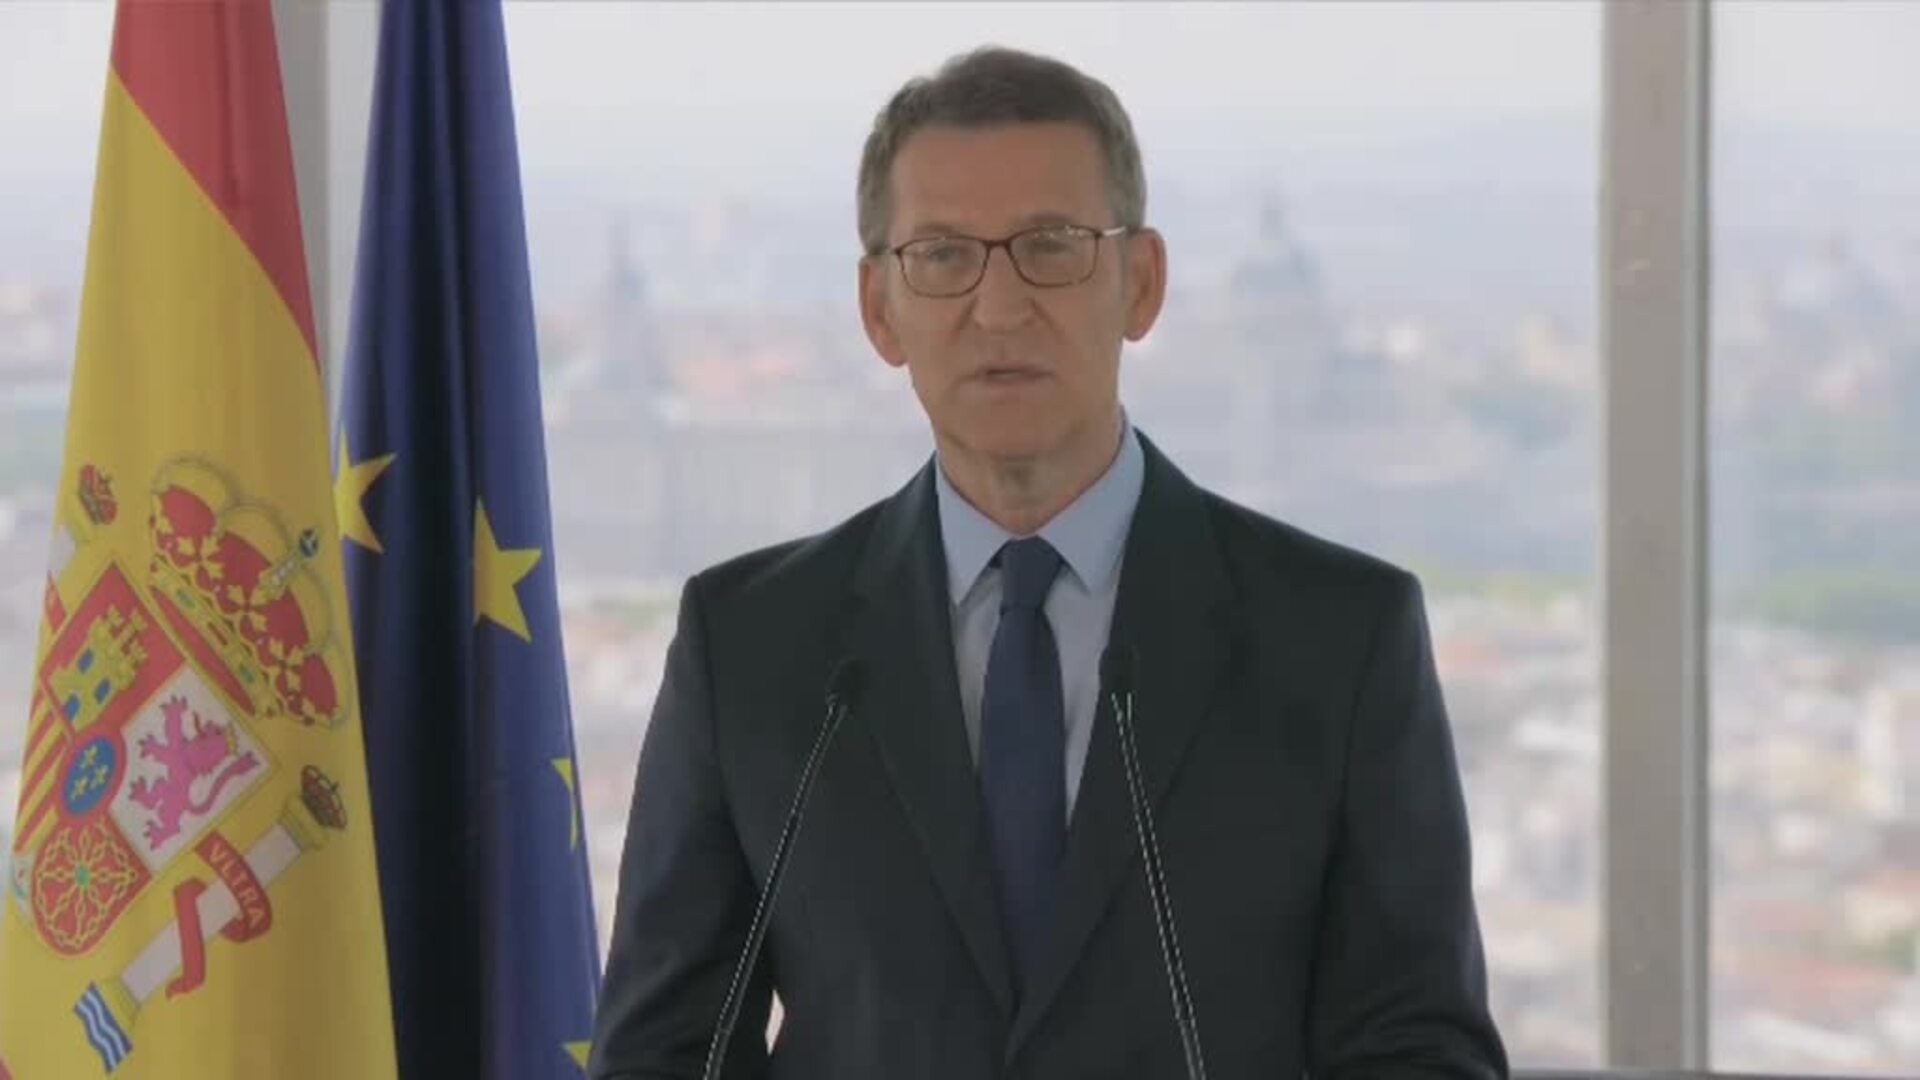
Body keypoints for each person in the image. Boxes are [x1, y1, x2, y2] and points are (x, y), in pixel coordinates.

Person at [590, 46, 1507, 1080]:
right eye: (943, 256)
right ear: (880, 310)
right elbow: (663, 1054)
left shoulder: (1340, 639)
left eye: (1051, 248)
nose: (999, 307)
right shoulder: (751, 647)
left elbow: (1417, 1051)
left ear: (1141, 284)